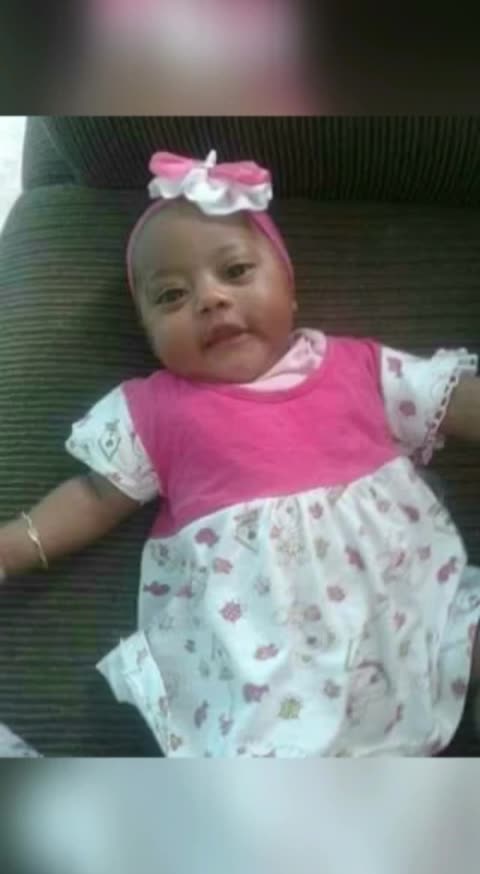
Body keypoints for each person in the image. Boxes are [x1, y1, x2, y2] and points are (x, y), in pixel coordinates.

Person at [1, 149, 480, 757]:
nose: (209, 299)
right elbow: (95, 497)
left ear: (291, 291)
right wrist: (12, 547)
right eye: (171, 296)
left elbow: (448, 397)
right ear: (147, 333)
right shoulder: (156, 409)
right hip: (268, 663)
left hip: (414, 610)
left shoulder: (355, 366)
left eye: (234, 271)